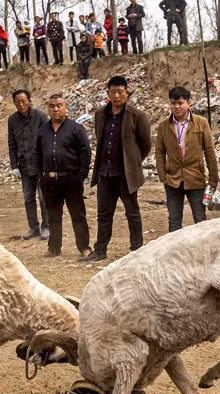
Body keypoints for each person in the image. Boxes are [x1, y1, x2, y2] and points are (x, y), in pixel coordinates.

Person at [84, 75, 152, 262]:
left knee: (132, 212)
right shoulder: (100, 114)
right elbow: (100, 140)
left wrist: (133, 162)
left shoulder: (137, 116)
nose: (116, 95)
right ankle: (100, 250)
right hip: (105, 173)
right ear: (108, 93)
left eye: (120, 92)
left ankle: (137, 250)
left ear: (127, 93)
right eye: (113, 92)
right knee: (103, 214)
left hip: (126, 175)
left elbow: (145, 144)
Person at [154, 86, 219, 232]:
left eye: (180, 103)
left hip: (196, 177)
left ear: (188, 103)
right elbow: (159, 152)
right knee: (174, 221)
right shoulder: (164, 126)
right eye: (173, 103)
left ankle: (201, 252)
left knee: (200, 219)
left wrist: (214, 178)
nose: (177, 107)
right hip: (173, 179)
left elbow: (209, 152)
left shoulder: (201, 123)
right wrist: (163, 177)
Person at [34, 94, 92, 258]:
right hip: (49, 180)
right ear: (48, 109)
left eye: (59, 105)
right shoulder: (43, 130)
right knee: (53, 215)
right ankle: (54, 248)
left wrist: (81, 175)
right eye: (52, 106)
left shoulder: (75, 128)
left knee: (78, 215)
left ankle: (84, 247)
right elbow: (37, 154)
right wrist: (40, 176)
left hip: (71, 179)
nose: (55, 109)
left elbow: (85, 152)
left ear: (65, 108)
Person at [8, 89, 50, 240]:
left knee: (43, 197)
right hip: (24, 165)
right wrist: (14, 166)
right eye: (18, 102)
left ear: (30, 101)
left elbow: (48, 139)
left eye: (24, 101)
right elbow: (11, 144)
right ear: (14, 103)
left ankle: (46, 227)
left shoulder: (40, 117)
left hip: (40, 165)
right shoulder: (12, 120)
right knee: (28, 198)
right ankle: (33, 228)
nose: (21, 104)